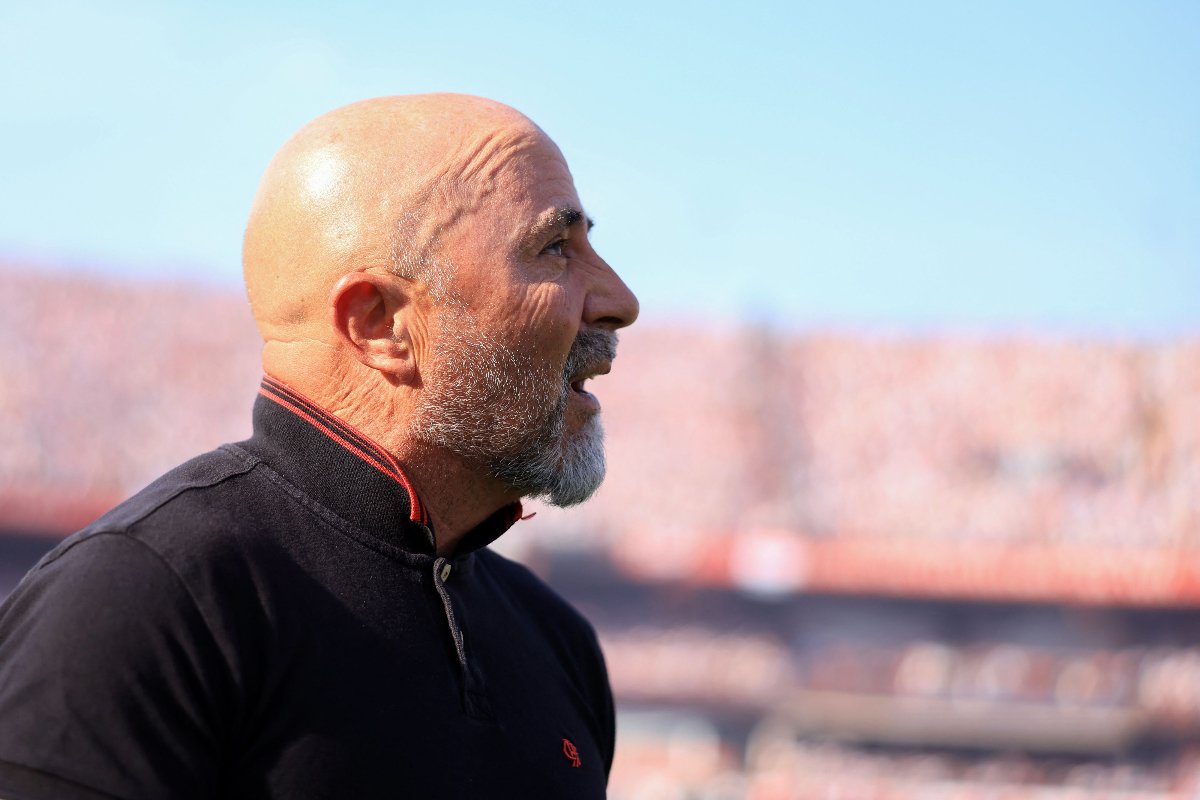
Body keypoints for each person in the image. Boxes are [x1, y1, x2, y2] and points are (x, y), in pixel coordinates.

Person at [0, 94, 639, 799]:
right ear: (379, 322)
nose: (620, 299)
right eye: (555, 248)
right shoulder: (143, 599)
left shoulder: (557, 644)